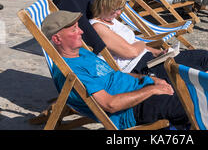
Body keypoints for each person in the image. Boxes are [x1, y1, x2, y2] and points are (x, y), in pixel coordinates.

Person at [41, 10, 190, 130]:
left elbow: (114, 75)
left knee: (191, 90)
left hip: (141, 89)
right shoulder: (71, 71)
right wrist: (152, 90)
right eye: (74, 29)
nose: (81, 31)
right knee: (191, 108)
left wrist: (149, 80)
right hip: (132, 110)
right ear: (57, 39)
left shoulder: (81, 52)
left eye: (78, 26)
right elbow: (110, 105)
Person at [89, 0, 208, 79]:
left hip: (148, 58)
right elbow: (131, 52)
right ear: (103, 6)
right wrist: (142, 43)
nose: (119, 13)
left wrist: (158, 53)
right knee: (195, 71)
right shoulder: (98, 27)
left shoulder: (111, 20)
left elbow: (134, 45)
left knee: (204, 57)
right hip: (138, 67)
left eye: (121, 8)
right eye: (115, 9)